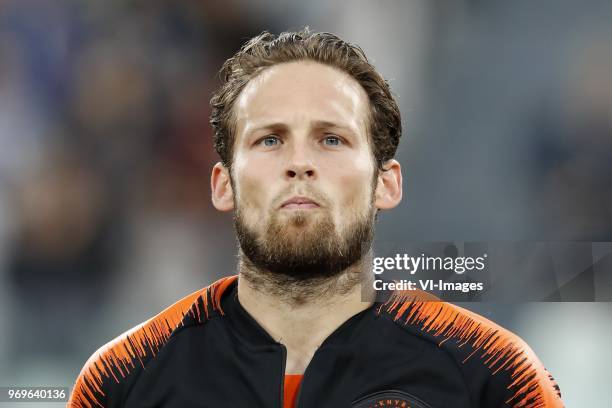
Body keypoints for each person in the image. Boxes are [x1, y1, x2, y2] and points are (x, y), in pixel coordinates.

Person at [68, 29, 564, 408]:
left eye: (331, 139)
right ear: (223, 184)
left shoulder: (494, 374)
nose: (299, 162)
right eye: (270, 139)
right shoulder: (122, 380)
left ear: (386, 183)